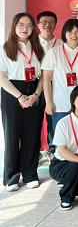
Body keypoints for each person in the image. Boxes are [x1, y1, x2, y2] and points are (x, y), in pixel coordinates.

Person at [0, 13, 45, 191]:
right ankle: (11, 177)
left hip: (34, 90)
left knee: (31, 135)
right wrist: (19, 96)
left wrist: (35, 95)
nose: (25, 28)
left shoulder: (39, 48)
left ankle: (30, 175)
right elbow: (2, 77)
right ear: (14, 26)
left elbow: (44, 76)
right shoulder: (6, 48)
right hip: (12, 91)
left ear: (33, 28)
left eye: (29, 25)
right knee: (12, 135)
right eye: (21, 25)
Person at [42, 19, 78, 131]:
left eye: (77, 31)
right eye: (70, 31)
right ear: (64, 33)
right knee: (61, 137)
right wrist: (49, 102)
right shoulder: (54, 52)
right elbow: (46, 79)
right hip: (60, 103)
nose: (74, 35)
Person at [37, 11, 62, 159]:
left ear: (55, 25)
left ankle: (53, 151)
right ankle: (34, 153)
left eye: (51, 22)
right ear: (38, 25)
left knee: (52, 119)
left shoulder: (61, 45)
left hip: (55, 85)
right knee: (34, 122)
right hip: (34, 85)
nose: (48, 25)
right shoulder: (32, 43)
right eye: (44, 22)